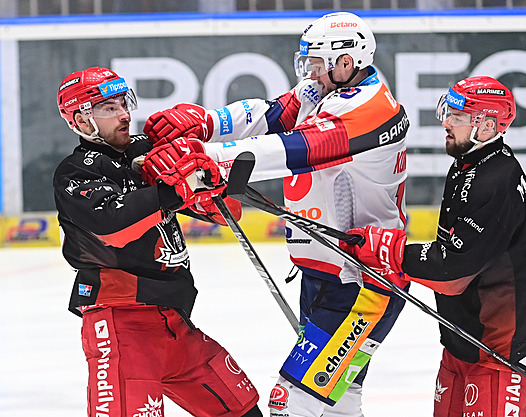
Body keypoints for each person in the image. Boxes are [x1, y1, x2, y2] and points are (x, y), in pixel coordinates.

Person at [142, 12, 409, 417]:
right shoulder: (322, 91)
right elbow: (269, 115)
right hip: (323, 274)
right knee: (340, 403)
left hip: (362, 281)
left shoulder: (370, 108)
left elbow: (300, 148)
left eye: (318, 64)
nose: (311, 72)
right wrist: (207, 123)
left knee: (291, 401)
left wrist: (211, 159)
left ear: (349, 61)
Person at [53, 66, 262, 417]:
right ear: (81, 119)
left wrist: (208, 183)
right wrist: (174, 189)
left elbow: (230, 211)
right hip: (122, 324)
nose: (124, 114)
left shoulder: (146, 150)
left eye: (124, 103)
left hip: (175, 322)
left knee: (242, 410)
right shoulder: (76, 172)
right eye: (108, 107)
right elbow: (114, 225)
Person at [340, 76, 526, 417]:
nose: (446, 121)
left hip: (500, 350)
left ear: (486, 125)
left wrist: (387, 250)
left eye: (457, 115)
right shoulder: (474, 163)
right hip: (466, 336)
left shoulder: (492, 179)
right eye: (447, 111)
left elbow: (452, 272)